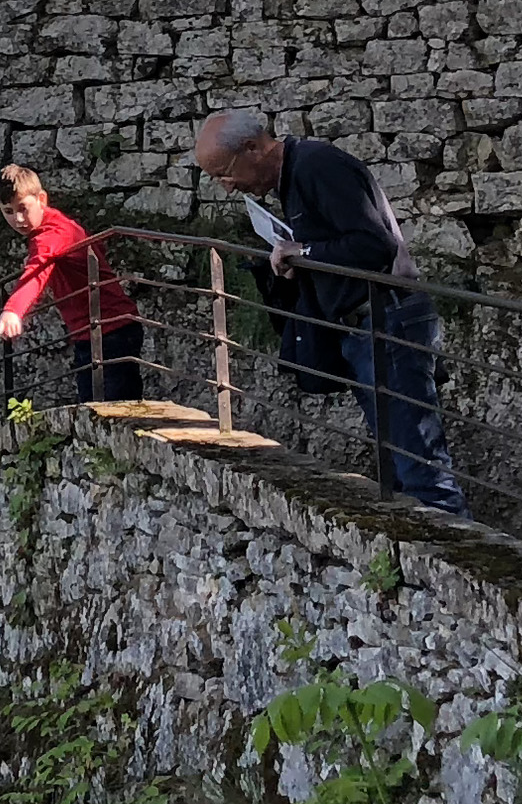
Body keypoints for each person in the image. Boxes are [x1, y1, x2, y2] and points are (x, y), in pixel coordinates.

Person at [191, 108, 468, 515]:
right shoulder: (296, 173)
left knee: (418, 459)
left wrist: (303, 252)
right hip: (367, 322)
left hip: (386, 318)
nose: (228, 187)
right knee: (396, 455)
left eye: (224, 173)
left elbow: (375, 245)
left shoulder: (317, 166)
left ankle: (451, 550)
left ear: (253, 148)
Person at [0, 164, 144, 402]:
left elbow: (37, 270)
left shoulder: (52, 234)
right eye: (8, 211)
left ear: (42, 199)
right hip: (96, 330)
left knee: (112, 411)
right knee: (98, 410)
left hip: (110, 329)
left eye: (23, 208)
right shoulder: (63, 226)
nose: (18, 219)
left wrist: (13, 310)